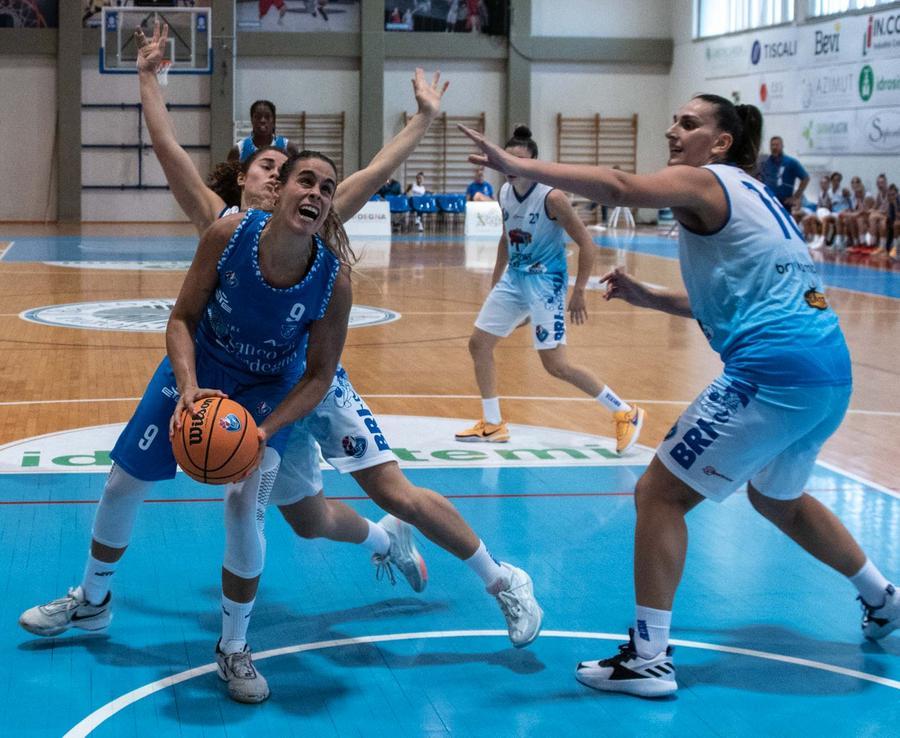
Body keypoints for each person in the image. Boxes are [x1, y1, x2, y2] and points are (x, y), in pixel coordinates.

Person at [18, 22, 543, 703]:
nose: (282, 173)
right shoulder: (226, 226)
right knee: (303, 516)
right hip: (221, 379)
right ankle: (381, 543)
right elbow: (170, 155)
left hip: (291, 387)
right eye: (268, 165)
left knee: (329, 497)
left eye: (292, 168)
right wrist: (149, 79)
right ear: (249, 181)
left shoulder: (324, 239)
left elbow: (370, 182)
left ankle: (492, 582)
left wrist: (421, 120)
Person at [460, 94, 900, 698]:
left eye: (688, 124)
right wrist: (651, 298)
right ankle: (883, 596)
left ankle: (648, 658)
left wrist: (524, 168)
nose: (672, 130)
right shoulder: (756, 195)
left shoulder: (705, 182)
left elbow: (617, 185)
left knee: (658, 493)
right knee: (779, 500)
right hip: (827, 372)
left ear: (720, 143)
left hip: (773, 372)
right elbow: (736, 301)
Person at [455, 125, 645, 454]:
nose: (510, 165)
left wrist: (580, 291)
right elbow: (505, 238)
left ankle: (625, 411)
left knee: (556, 365)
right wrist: (496, 280)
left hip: (547, 283)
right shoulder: (502, 193)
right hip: (515, 278)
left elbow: (587, 244)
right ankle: (492, 422)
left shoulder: (552, 197)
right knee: (479, 344)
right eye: (506, 158)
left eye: (518, 160)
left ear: (533, 163)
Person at [228, 99, 298, 163]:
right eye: (258, 117)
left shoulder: (288, 148)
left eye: (267, 117)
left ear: (273, 120)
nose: (262, 121)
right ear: (252, 120)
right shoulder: (238, 151)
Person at [759, 135, 809, 212]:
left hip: (783, 203)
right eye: (772, 145)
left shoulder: (791, 162)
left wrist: (795, 197)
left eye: (777, 145)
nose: (774, 147)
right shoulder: (765, 162)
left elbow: (805, 178)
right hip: (768, 202)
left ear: (782, 146)